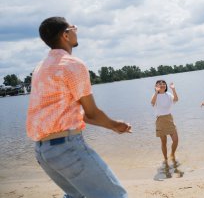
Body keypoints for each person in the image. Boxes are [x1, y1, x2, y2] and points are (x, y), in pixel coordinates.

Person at [26, 17, 132, 198]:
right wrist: (114, 125)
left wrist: (112, 125)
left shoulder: (40, 68)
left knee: (75, 195)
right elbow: (92, 112)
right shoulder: (72, 64)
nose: (76, 30)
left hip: (43, 152)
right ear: (65, 35)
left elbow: (80, 115)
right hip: (66, 148)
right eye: (74, 27)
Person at [150, 80, 179, 162]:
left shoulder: (168, 95)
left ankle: (172, 154)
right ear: (156, 86)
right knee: (164, 142)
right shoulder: (155, 95)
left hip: (169, 119)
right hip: (160, 120)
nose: (162, 85)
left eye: (163, 84)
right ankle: (165, 159)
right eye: (160, 84)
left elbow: (176, 99)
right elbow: (152, 102)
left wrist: (173, 89)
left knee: (176, 140)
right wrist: (156, 92)